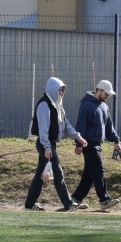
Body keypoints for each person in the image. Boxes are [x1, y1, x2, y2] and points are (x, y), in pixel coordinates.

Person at [25, 77, 89, 212]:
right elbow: (43, 130)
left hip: (48, 144)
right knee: (58, 172)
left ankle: (30, 204)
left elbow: (65, 124)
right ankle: (68, 203)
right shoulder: (44, 105)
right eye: (59, 90)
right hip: (45, 144)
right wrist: (47, 147)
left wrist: (78, 137)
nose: (61, 93)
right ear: (53, 89)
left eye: (62, 90)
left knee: (40, 176)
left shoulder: (57, 106)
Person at [70, 79, 121, 211]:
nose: (108, 97)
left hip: (96, 143)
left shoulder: (104, 107)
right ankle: (104, 199)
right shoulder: (87, 105)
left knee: (89, 175)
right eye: (106, 94)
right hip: (88, 143)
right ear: (99, 90)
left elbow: (109, 127)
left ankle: (75, 199)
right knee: (98, 170)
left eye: (109, 95)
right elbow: (80, 125)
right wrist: (79, 143)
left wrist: (116, 141)